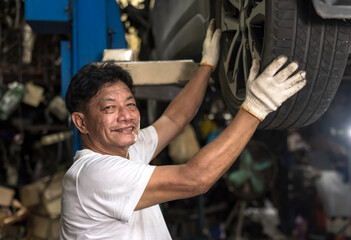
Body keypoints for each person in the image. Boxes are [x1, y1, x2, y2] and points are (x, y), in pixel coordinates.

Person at [60, 19, 306, 239]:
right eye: (110, 108)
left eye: (131, 104)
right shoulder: (94, 174)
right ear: (81, 122)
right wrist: (257, 105)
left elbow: (174, 120)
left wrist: (206, 66)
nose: (126, 116)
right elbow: (195, 179)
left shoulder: (128, 150)